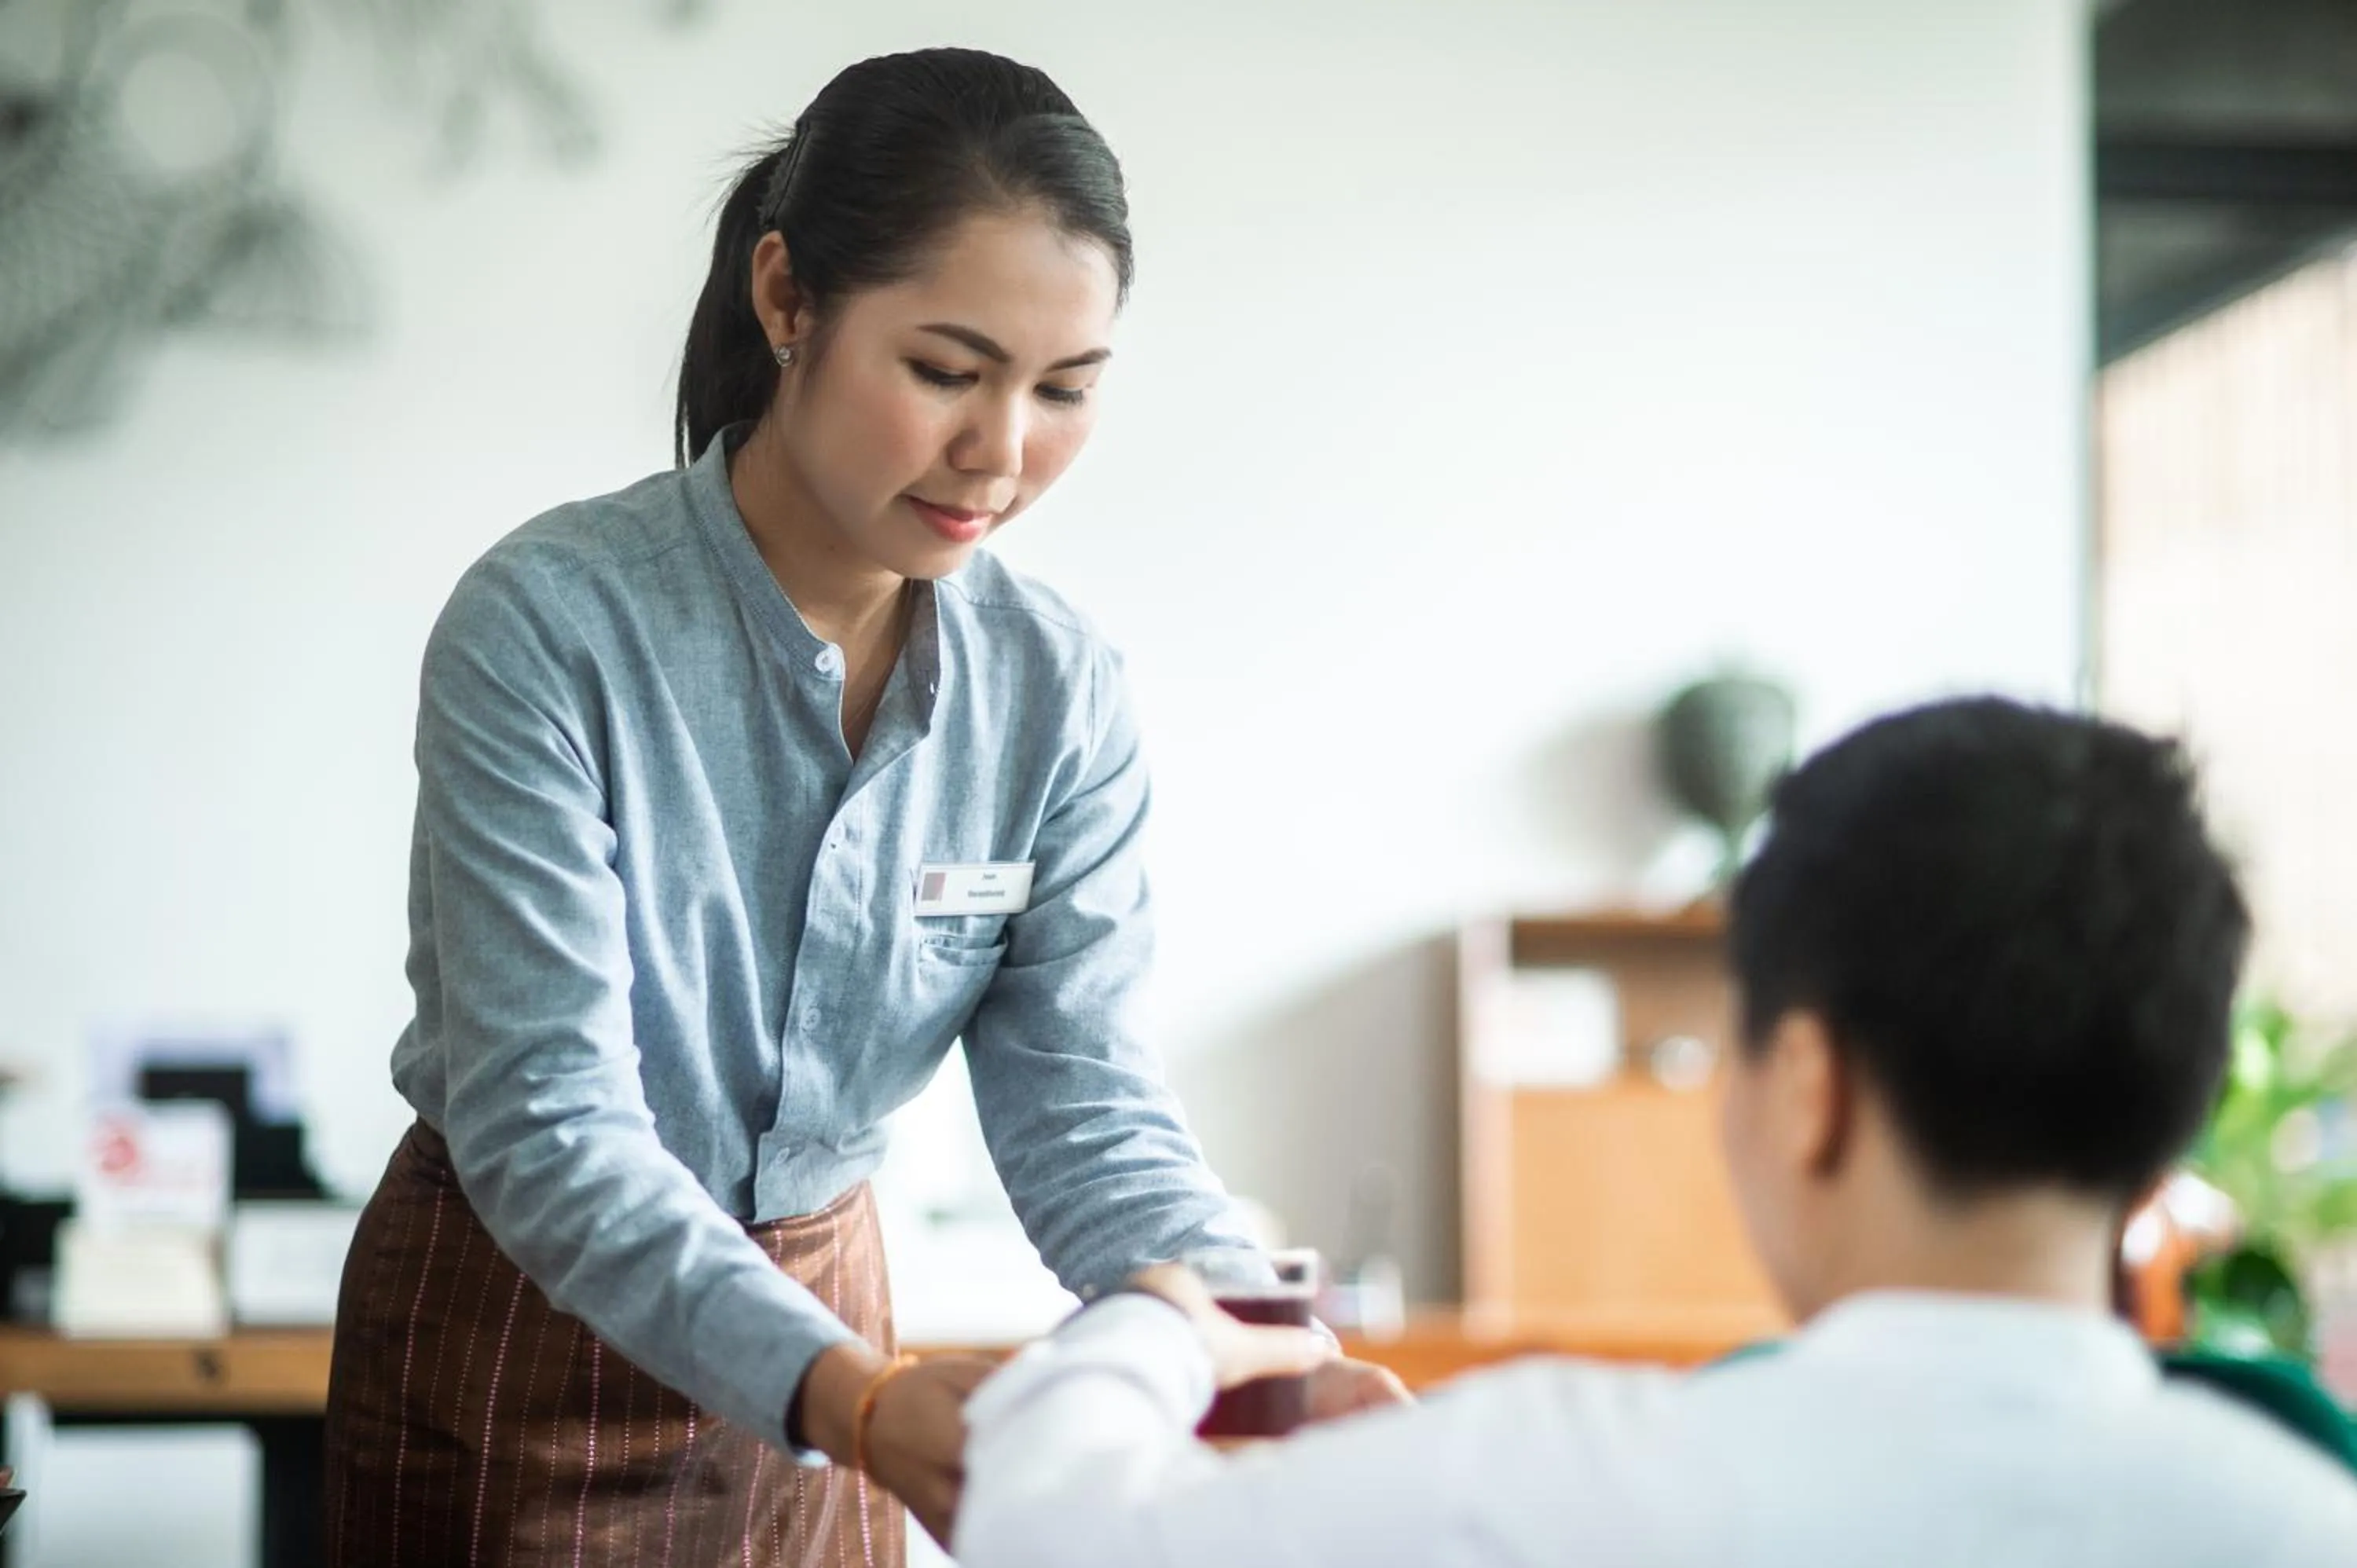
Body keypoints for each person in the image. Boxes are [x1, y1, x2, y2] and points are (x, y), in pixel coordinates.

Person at [321, 46, 1398, 1568]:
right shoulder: (551, 625)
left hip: (842, 1355)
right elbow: (552, 1120)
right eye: (947, 371)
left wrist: (1266, 1340)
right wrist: (853, 1394)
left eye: (1066, 389)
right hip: (524, 1335)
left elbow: (1085, 1106)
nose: (1002, 452)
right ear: (787, 303)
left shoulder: (1057, 693)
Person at [955, 698, 2357, 1566]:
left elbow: (1044, 1531)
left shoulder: (1548, 1484)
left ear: (1811, 1087)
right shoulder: (2301, 1518)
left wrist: (1153, 1321)